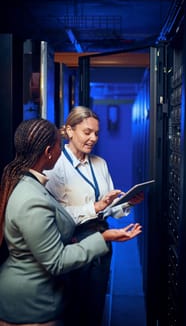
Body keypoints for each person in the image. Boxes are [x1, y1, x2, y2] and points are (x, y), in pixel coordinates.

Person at [0, 118, 142, 326]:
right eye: (59, 144)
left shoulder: (28, 183)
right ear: (49, 151)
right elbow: (56, 261)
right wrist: (102, 237)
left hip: (36, 293)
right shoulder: (32, 197)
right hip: (31, 301)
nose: (61, 150)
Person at [44, 106, 144, 326]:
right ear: (69, 131)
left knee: (94, 304)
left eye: (97, 133)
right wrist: (96, 207)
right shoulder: (55, 166)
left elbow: (110, 207)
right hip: (71, 242)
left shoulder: (100, 164)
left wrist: (126, 202)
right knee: (73, 306)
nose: (93, 138)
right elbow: (54, 215)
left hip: (101, 239)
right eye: (87, 132)